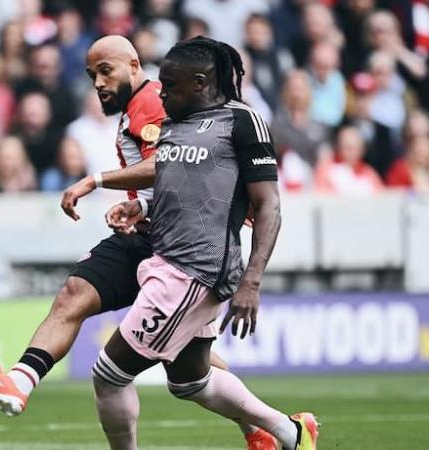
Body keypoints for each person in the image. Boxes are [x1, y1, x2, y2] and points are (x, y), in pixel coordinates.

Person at [0, 35, 280, 450]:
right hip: (148, 233)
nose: (98, 83)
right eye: (92, 75)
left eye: (105, 71)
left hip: (177, 247)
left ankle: (265, 426)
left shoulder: (155, 103)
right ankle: (19, 382)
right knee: (83, 298)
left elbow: (170, 164)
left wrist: (98, 180)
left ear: (133, 65)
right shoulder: (137, 109)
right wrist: (140, 206)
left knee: (166, 370)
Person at [61, 36, 318, 450]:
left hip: (195, 269)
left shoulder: (242, 120)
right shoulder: (176, 123)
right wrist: (141, 208)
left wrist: (251, 281)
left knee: (109, 374)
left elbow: (268, 205)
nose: (161, 93)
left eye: (169, 86)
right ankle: (291, 432)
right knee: (190, 381)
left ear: (200, 83)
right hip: (168, 259)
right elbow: (180, 188)